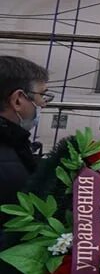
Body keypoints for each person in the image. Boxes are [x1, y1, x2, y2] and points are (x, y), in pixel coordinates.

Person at [0, 56, 48, 206]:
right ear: (18, 100)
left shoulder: (14, 145)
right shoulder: (7, 159)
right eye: (42, 95)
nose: (43, 104)